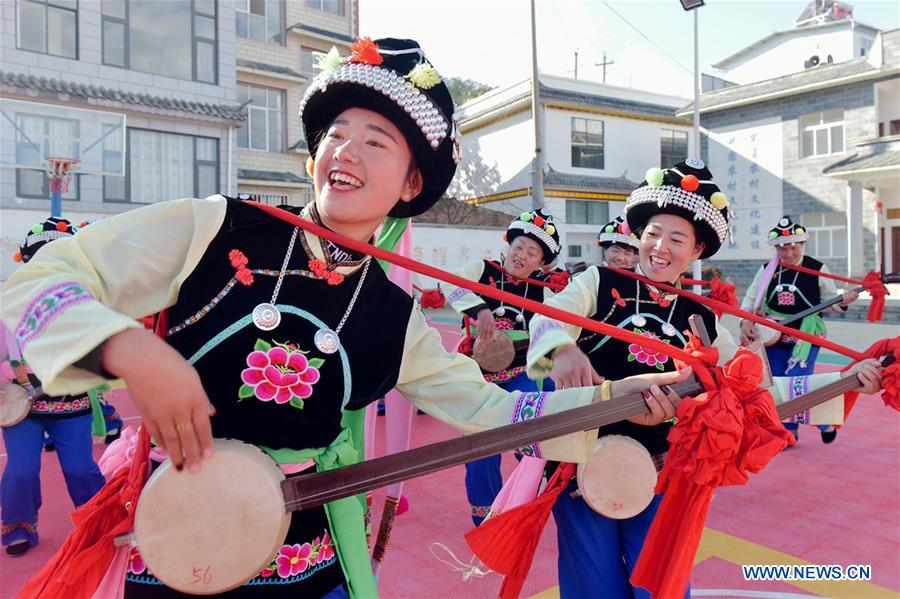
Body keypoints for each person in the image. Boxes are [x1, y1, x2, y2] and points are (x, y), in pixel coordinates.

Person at [2, 38, 686, 598]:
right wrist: (129, 348)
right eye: (336, 133)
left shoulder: (393, 312)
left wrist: (606, 403)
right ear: (312, 155)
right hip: (183, 541)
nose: (347, 151)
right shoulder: (215, 226)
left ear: (411, 184)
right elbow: (39, 278)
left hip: (311, 557)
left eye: (376, 141)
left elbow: (486, 406)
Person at [526, 160, 883, 599]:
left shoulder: (706, 320)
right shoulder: (597, 282)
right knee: (591, 588)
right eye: (653, 233)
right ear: (639, 234)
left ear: (696, 252)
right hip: (582, 467)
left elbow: (758, 395)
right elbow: (545, 319)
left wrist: (845, 379)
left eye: (677, 239)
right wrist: (562, 349)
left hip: (664, 474)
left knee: (661, 587)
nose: (660, 246)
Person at [444, 209, 560, 524]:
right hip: (478, 377)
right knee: (481, 446)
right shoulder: (482, 269)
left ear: (541, 262)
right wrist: (480, 310)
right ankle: (488, 518)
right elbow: (450, 287)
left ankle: (528, 500)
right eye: (519, 247)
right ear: (508, 245)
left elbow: (552, 334)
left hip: (523, 375)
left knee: (532, 438)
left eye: (532, 252)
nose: (522, 255)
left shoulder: (545, 290)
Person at [1, 218, 106, 557]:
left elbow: (102, 355)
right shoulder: (9, 304)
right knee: (21, 470)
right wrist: (12, 370)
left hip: (71, 406)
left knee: (80, 468)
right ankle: (18, 525)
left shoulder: (87, 305)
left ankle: (99, 523)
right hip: (23, 410)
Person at [739, 216, 860, 444]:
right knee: (779, 384)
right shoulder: (768, 269)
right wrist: (746, 322)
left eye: (793, 247)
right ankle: (788, 433)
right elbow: (751, 297)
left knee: (798, 383)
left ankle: (824, 423)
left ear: (801, 245)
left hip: (806, 336)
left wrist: (844, 300)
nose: (788, 253)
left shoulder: (816, 268)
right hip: (773, 336)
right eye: (783, 249)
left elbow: (832, 302)